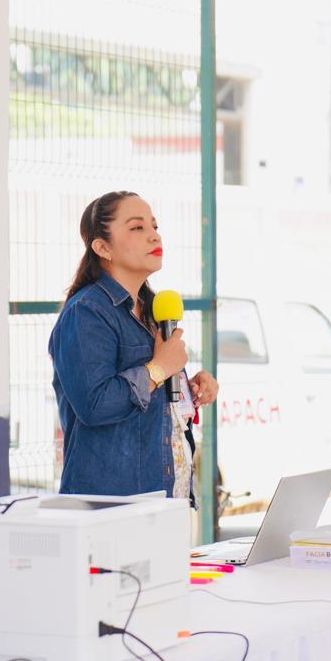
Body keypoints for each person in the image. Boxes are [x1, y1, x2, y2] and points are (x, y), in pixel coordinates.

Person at [49, 190, 219, 502]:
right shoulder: (86, 312)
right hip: (111, 505)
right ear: (103, 247)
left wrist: (191, 389)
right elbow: (95, 405)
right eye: (137, 227)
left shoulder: (154, 308)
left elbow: (151, 400)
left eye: (155, 226)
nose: (153, 236)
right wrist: (157, 369)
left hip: (165, 497)